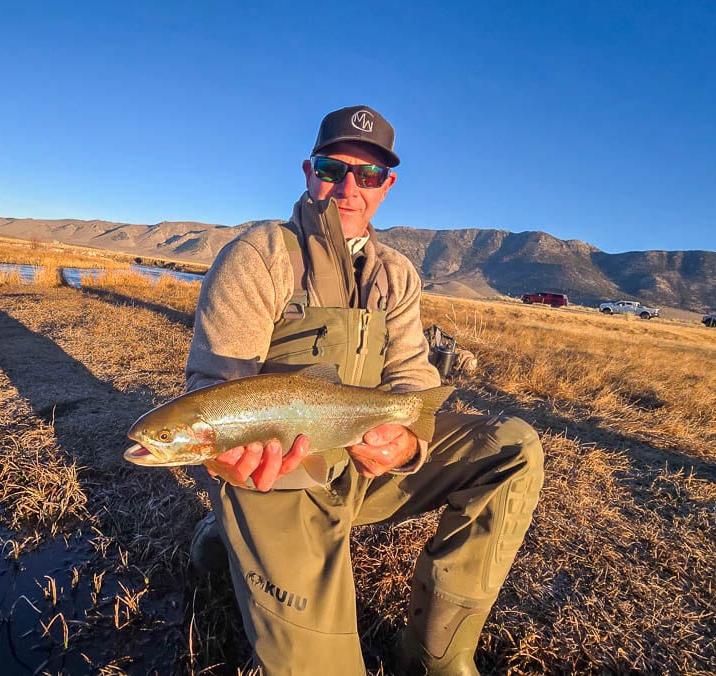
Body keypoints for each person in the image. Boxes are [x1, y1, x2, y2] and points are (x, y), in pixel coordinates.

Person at [185, 105, 544, 675]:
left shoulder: (397, 274)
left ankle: (437, 657)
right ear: (308, 171)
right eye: (333, 168)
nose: (349, 187)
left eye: (368, 175)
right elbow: (216, 389)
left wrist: (408, 441)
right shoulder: (260, 255)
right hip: (279, 475)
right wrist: (231, 460)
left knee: (512, 445)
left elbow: (413, 379)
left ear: (386, 186)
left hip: (358, 462)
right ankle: (231, 531)